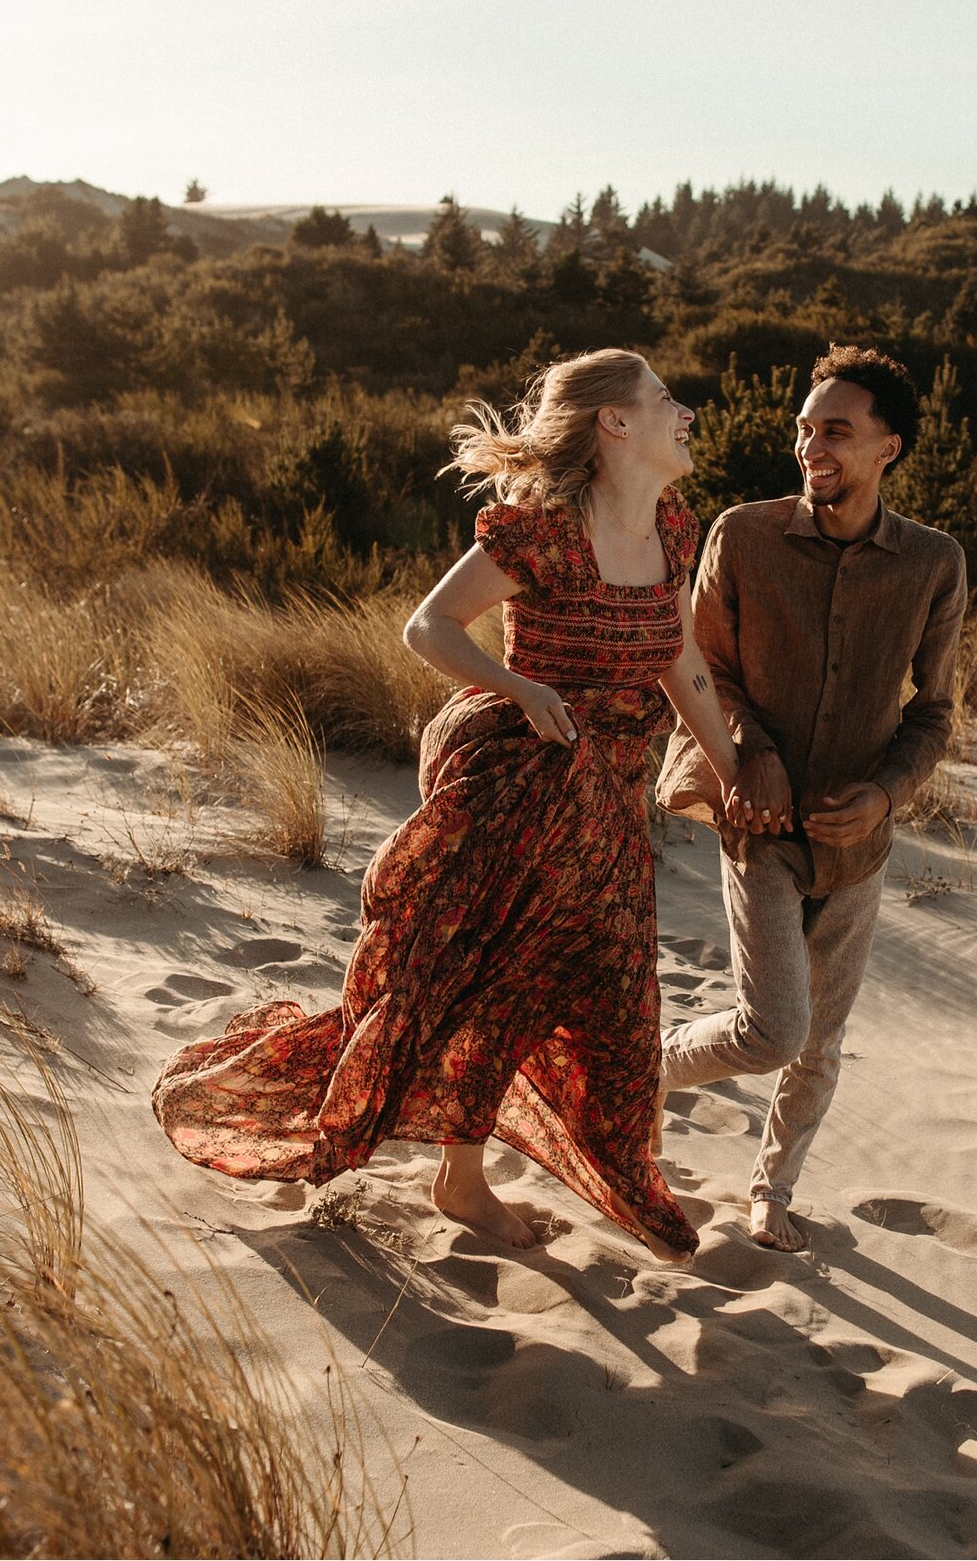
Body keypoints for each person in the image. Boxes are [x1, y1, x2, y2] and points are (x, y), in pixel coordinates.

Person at [154, 351, 765, 1261]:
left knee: (618, 999)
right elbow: (428, 627)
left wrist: (736, 769)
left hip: (604, 813)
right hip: (515, 796)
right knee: (479, 986)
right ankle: (462, 1178)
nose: (686, 413)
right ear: (616, 423)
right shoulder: (541, 532)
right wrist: (517, 685)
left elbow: (680, 661)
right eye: (664, 398)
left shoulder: (676, 526)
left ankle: (618, 1163)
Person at [653, 346, 968, 1254]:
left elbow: (935, 712)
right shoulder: (743, 536)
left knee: (821, 1040)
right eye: (804, 428)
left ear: (888, 449)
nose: (810, 445)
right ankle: (653, 1066)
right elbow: (704, 667)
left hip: (857, 843)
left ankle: (772, 1189)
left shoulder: (934, 564)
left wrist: (883, 793)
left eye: (835, 430)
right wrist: (751, 750)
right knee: (772, 1030)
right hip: (758, 822)